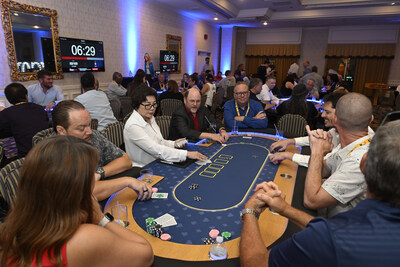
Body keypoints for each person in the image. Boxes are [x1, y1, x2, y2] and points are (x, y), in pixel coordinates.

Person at [240, 120, 400, 267]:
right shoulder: (340, 229)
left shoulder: (333, 237)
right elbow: (328, 229)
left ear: (363, 163)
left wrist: (250, 211)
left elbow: (256, 263)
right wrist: (284, 209)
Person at [0, 135, 154, 267]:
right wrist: (99, 217)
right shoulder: (84, 238)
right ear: (75, 190)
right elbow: (145, 255)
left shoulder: (11, 228)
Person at [52, 100, 151, 202]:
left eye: (89, 125)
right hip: (75, 202)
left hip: (99, 184)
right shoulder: (53, 152)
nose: (89, 131)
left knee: (136, 171)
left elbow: (126, 160)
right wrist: (127, 181)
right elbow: (82, 192)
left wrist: (99, 173)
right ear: (61, 131)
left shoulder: (94, 136)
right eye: (81, 128)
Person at [303, 93, 373, 217]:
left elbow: (311, 201)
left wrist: (317, 152)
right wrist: (319, 149)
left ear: (335, 119)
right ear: (371, 119)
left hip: (347, 231)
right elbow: (322, 170)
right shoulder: (352, 145)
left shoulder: (359, 160)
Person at [124, 84, 207, 167]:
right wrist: (187, 154)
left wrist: (173, 144)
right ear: (137, 105)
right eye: (147, 105)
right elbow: (156, 149)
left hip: (158, 161)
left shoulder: (150, 117)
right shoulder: (133, 125)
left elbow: (159, 141)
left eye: (154, 104)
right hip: (144, 169)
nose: (152, 108)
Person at [270, 91, 354, 167]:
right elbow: (314, 138)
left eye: (327, 112)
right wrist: (290, 141)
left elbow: (323, 162)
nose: (322, 115)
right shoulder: (335, 130)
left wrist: (288, 155)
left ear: (342, 113)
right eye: (323, 111)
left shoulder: (348, 138)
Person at [0, 83, 48, 158]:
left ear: (9, 99)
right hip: (49, 151)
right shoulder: (40, 108)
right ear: (26, 95)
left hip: (27, 159)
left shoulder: (6, 113)